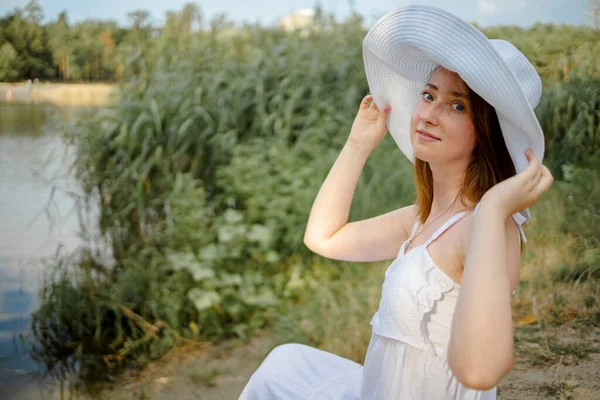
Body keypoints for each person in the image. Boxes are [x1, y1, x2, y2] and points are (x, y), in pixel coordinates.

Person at [239, 5, 554, 400]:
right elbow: (323, 237)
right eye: (429, 95)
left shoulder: (488, 226)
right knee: (284, 365)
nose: (429, 114)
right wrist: (357, 146)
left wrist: (493, 208)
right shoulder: (423, 219)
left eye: (457, 106)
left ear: (487, 132)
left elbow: (480, 372)